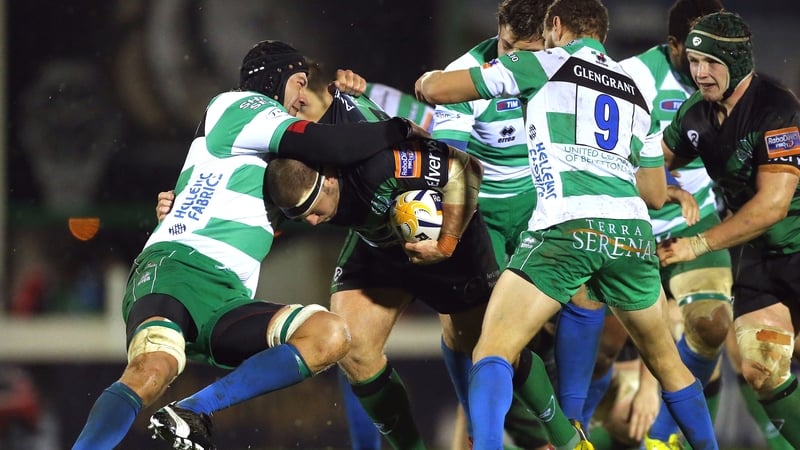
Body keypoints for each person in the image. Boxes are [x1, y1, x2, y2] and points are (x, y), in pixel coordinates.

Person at [72, 39, 430, 450]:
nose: (300, 97)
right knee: (152, 371)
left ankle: (192, 411)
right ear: (274, 79)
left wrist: (354, 103)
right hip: (177, 268)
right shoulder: (238, 105)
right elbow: (325, 144)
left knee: (330, 336)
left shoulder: (269, 155)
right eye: (298, 82)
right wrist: (398, 128)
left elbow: (330, 164)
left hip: (228, 298)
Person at [415, 0, 718, 449]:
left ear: (555, 26)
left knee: (492, 349)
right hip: (632, 234)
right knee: (669, 364)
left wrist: (424, 81)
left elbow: (437, 91)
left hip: (567, 227)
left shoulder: (543, 62)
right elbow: (654, 194)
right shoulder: (635, 86)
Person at [265, 96, 592, 450]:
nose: (312, 223)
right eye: (302, 217)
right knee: (353, 347)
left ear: (328, 179)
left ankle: (568, 439)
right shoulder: (294, 170)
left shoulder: (380, 166)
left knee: (495, 347)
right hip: (378, 249)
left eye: (314, 211)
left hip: (449, 247)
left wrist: (447, 242)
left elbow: (466, 169)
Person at [657, 10, 800, 447]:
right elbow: (654, 164)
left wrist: (697, 245)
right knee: (760, 366)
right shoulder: (693, 115)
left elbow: (772, 206)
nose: (699, 72)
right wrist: (667, 186)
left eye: (711, 62)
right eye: (695, 61)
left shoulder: (777, 108)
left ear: (737, 63)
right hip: (758, 259)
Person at [429, 1, 555, 448]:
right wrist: (448, 233)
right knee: (479, 331)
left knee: (585, 303)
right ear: (497, 29)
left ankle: (570, 421)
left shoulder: (566, 66)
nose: (513, 62)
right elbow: (451, 165)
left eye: (528, 52)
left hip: (545, 203)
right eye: (506, 48)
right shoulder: (464, 74)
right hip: (485, 213)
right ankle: (485, 424)